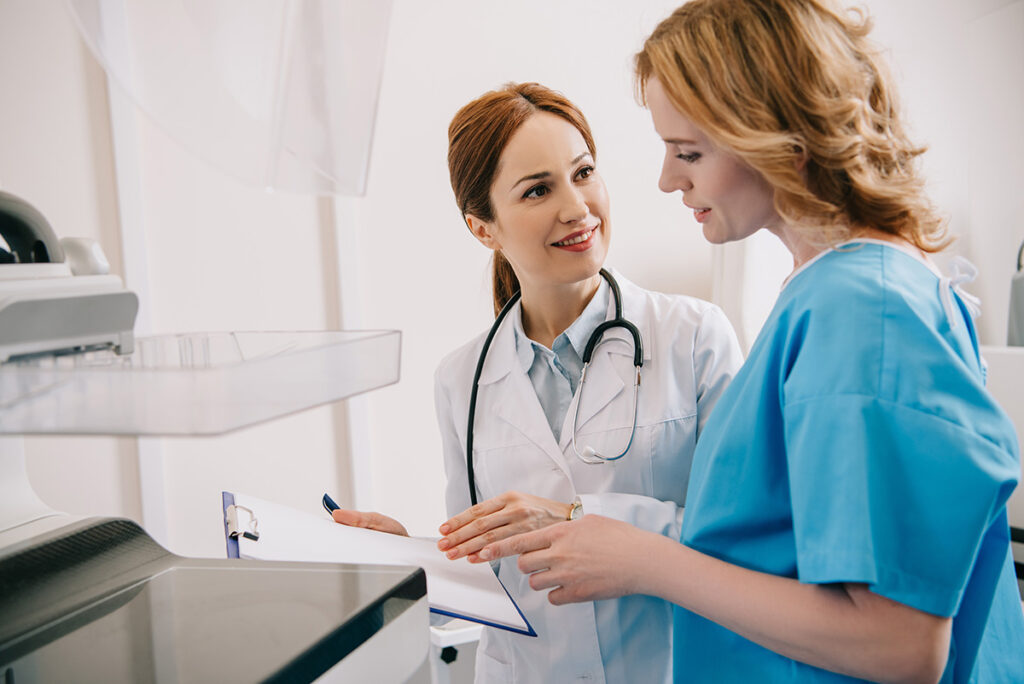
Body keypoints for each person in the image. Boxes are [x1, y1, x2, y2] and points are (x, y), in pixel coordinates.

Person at [478, 2, 1024, 683]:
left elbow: (901, 644)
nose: (667, 179)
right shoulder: (832, 295)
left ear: (777, 138)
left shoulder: (862, 309)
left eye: (689, 153)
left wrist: (644, 559)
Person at [330, 82, 743, 682]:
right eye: (538, 190)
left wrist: (576, 519)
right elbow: (486, 568)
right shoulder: (460, 380)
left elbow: (740, 537)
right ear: (483, 229)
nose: (576, 206)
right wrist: (405, 559)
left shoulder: (694, 336)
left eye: (583, 172)